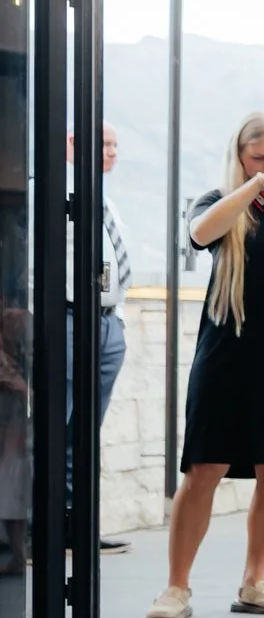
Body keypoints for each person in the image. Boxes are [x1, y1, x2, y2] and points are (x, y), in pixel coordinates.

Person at [144, 112, 264, 618]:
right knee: (204, 466)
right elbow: (199, 233)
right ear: (240, 158)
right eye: (258, 159)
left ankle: (255, 581)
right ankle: (176, 588)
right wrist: (252, 188)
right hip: (227, 349)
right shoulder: (219, 202)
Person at [69, 122, 134, 554]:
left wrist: (117, 317)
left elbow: (110, 261)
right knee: (62, 425)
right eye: (102, 144)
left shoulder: (101, 195)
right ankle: (45, 527)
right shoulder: (59, 190)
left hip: (106, 322)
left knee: (87, 430)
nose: (110, 152)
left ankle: (77, 526)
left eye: (113, 145)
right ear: (74, 144)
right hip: (71, 319)